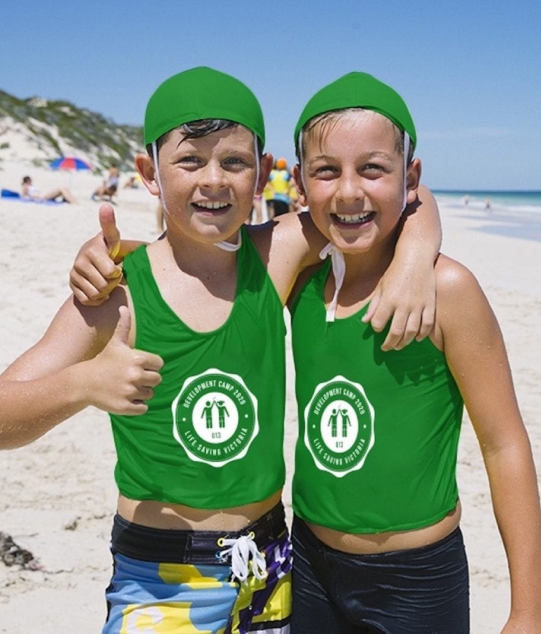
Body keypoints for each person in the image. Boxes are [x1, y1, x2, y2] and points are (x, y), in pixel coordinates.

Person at [2, 66, 441, 633]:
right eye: (190, 160)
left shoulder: (274, 256)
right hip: (160, 572)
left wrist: (414, 257)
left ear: (261, 177)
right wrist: (83, 385)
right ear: (149, 174)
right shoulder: (118, 295)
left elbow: (404, 197)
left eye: (234, 162)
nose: (213, 180)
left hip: (271, 564)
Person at [286, 72, 541, 633]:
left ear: (411, 178)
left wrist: (530, 611)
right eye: (326, 171)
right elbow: (201, 266)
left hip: (416, 581)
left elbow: (505, 445)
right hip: (308, 561)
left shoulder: (448, 290)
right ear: (299, 183)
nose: (350, 191)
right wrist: (110, 253)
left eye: (373, 169)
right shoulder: (299, 282)